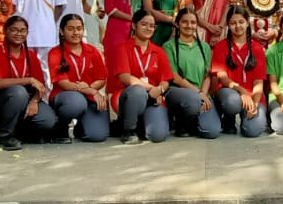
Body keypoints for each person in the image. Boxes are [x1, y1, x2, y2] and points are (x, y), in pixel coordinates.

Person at [0, 16, 58, 151]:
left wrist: (34, 101)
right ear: (5, 31)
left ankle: (18, 133)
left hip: (26, 100)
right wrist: (28, 80)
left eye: (23, 31)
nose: (18, 34)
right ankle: (4, 137)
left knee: (48, 121)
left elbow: (40, 85)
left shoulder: (31, 55)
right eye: (14, 30)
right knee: (18, 92)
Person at [108, 9, 173, 144]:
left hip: (153, 97)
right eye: (144, 24)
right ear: (134, 25)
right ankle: (128, 131)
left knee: (158, 135)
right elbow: (125, 77)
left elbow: (166, 79)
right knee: (137, 91)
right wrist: (151, 88)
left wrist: (160, 89)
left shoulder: (159, 51)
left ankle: (139, 125)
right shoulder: (122, 48)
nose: (148, 28)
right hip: (129, 96)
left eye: (152, 26)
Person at [48, 14, 110, 143]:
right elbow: (64, 83)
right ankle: (60, 127)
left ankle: (81, 126)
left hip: (89, 97)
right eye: (70, 29)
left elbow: (102, 78)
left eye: (79, 28)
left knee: (97, 136)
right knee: (76, 101)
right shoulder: (55, 52)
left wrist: (89, 88)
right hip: (66, 97)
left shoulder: (92, 50)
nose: (76, 32)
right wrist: (91, 91)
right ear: (62, 31)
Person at [163, 8, 221, 138]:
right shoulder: (169, 46)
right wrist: (198, 93)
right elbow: (175, 77)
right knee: (192, 100)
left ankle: (194, 120)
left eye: (193, 22)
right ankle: (181, 121)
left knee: (212, 132)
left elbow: (207, 76)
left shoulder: (204, 47)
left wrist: (204, 94)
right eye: (185, 22)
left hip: (201, 93)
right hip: (178, 92)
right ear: (177, 24)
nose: (189, 25)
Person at [211, 5, 269, 137]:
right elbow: (223, 78)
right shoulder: (221, 46)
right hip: (230, 93)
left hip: (253, 95)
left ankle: (245, 119)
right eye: (233, 23)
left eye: (241, 22)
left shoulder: (257, 48)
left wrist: (255, 103)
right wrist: (241, 91)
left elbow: (258, 81)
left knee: (252, 131)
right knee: (232, 102)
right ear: (228, 25)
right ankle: (228, 118)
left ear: (248, 23)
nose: (238, 26)